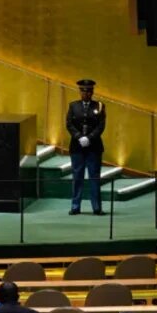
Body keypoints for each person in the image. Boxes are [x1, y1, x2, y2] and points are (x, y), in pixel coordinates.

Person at [67, 78, 106, 216]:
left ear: (92, 92)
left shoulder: (99, 106)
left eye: (88, 91)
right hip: (77, 147)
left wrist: (89, 138)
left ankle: (96, 207)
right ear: (80, 92)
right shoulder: (73, 106)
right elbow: (69, 124)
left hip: (93, 147)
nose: (86, 94)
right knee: (77, 177)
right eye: (83, 91)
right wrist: (79, 137)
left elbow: (101, 125)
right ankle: (75, 206)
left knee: (94, 177)